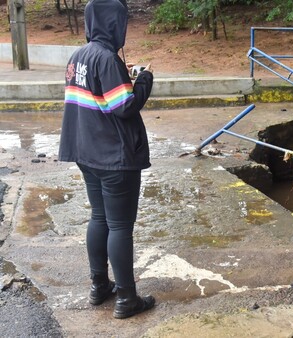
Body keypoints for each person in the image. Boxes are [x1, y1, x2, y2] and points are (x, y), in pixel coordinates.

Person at [58, 0, 155, 319]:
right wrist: (143, 82)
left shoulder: (78, 57)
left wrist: (123, 77)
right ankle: (127, 299)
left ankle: (100, 286)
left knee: (99, 218)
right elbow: (124, 107)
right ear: (115, 24)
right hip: (114, 157)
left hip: (86, 153)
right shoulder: (106, 59)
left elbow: (98, 98)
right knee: (120, 226)